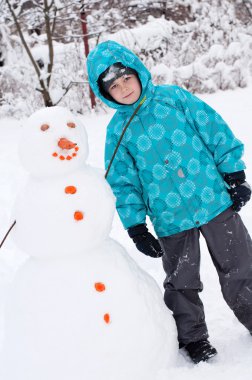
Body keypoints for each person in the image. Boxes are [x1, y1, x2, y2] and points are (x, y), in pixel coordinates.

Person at [87, 40, 252, 364]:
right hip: (169, 216)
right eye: (114, 86)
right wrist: (135, 225)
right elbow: (122, 182)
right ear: (105, 93)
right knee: (181, 281)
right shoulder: (117, 131)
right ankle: (193, 338)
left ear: (137, 72)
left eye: (126, 79)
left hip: (213, 200)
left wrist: (234, 173)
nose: (123, 88)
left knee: (241, 266)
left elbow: (214, 130)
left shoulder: (174, 99)